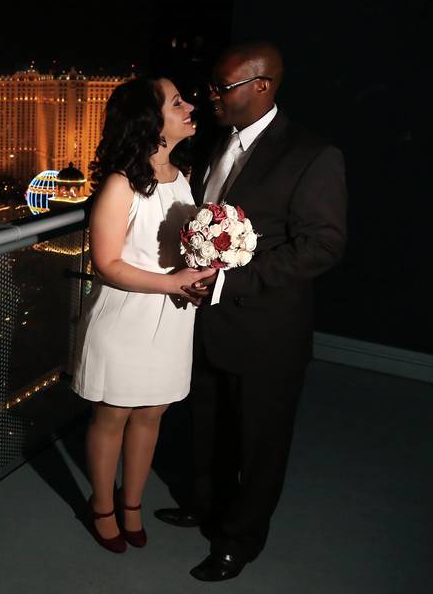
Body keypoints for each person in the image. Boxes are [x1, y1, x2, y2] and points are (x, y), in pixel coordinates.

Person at [157, 42, 347, 581]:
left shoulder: (312, 153)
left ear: (261, 86)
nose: (210, 96)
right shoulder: (221, 142)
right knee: (209, 424)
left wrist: (229, 281)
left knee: (259, 441)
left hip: (268, 331)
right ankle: (205, 505)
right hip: (211, 320)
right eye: (212, 86)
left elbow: (323, 245)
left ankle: (240, 540)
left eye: (223, 87)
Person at [72, 77, 210, 553]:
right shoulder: (120, 184)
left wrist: (198, 277)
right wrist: (173, 282)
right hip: (126, 318)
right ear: (151, 122)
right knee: (113, 415)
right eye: (177, 102)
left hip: (171, 318)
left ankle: (132, 504)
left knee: (152, 413)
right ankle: (102, 506)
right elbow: (107, 263)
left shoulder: (183, 178)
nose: (190, 105)